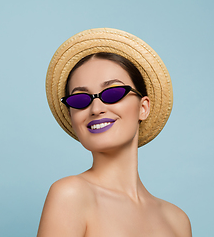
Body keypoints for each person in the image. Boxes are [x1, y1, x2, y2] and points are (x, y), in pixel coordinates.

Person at [37, 28, 192, 237]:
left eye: (113, 93)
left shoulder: (177, 221)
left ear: (143, 108)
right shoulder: (70, 195)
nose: (96, 108)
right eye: (80, 99)